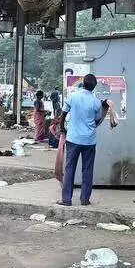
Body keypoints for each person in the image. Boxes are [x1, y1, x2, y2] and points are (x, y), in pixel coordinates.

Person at [56, 74, 108, 206]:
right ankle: (85, 199)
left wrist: (63, 129)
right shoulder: (96, 102)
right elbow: (96, 121)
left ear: (83, 83)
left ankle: (66, 199)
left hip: (73, 138)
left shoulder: (73, 97)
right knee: (87, 169)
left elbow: (63, 114)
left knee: (69, 169)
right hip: (89, 140)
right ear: (94, 86)